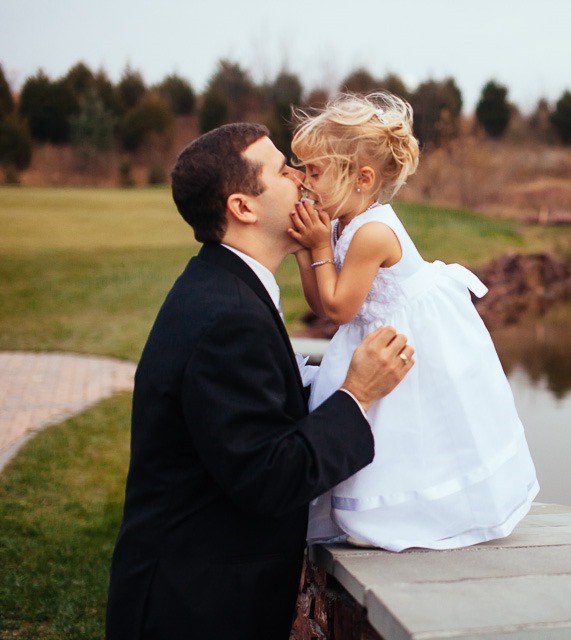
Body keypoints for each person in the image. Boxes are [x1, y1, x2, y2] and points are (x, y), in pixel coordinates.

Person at [105, 122, 414, 640]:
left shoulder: (225, 286)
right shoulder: (228, 316)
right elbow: (270, 477)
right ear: (243, 208)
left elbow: (262, 404)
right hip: (193, 612)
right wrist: (355, 394)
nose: (300, 177)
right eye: (281, 170)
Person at [287, 92, 539, 552]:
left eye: (315, 172)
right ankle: (373, 511)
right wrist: (310, 252)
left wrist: (320, 247)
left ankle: (417, 512)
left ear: (362, 179)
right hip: (375, 335)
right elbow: (325, 304)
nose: (304, 182)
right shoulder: (343, 223)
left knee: (418, 433)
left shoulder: (371, 233)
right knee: (384, 432)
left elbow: (340, 308)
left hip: (411, 337)